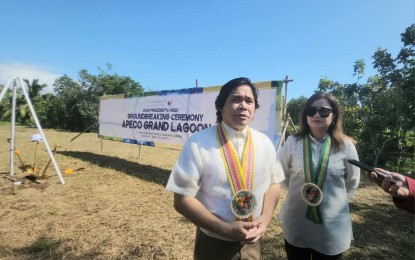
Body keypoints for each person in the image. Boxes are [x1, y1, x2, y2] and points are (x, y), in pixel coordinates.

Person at [165, 77, 284, 259]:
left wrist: (265, 220)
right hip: (214, 242)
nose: (243, 105)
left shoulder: (265, 143)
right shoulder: (198, 143)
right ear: (221, 106)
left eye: (249, 101)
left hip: (253, 241)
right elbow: (182, 199)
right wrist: (226, 229)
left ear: (254, 110)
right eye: (236, 99)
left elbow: (274, 184)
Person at [278, 92, 360, 260]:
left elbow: (352, 182)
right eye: (311, 110)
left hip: (331, 226)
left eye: (323, 111)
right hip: (297, 221)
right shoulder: (293, 142)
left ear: (334, 116)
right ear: (305, 115)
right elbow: (282, 175)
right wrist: (303, 193)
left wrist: (331, 199)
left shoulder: (346, 146)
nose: (317, 115)